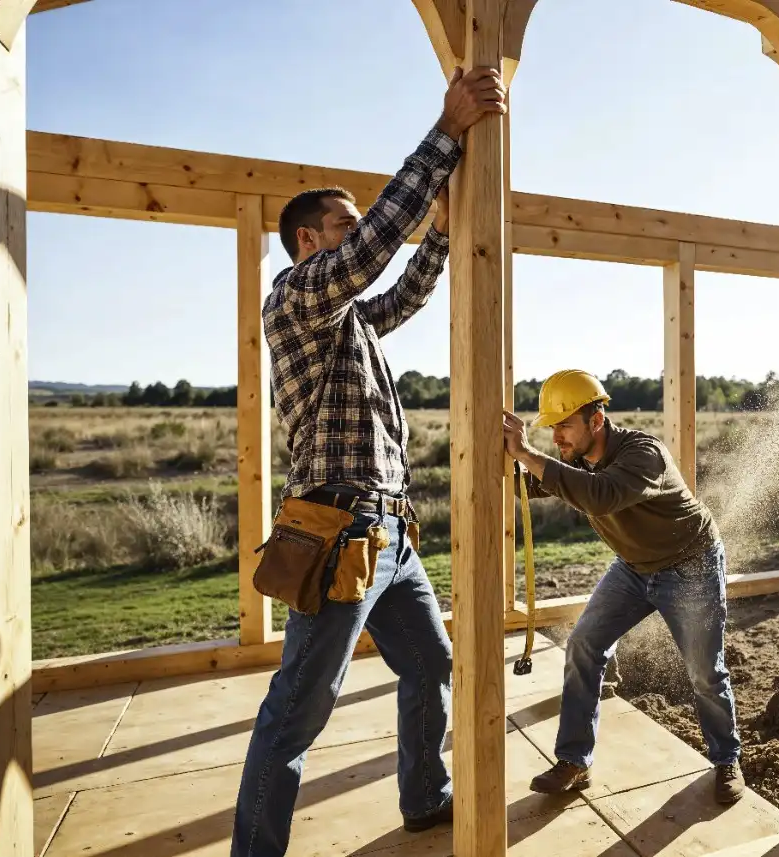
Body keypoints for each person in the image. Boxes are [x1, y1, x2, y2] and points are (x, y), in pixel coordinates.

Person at [230, 66, 507, 857]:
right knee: (298, 709)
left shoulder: (348, 321)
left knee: (431, 663)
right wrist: (447, 133)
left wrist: (445, 231)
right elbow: (376, 253)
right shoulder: (294, 297)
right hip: (336, 530)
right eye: (343, 225)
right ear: (309, 242)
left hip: (388, 536)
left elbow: (403, 291)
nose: (358, 234)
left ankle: (425, 799)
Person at [501, 370, 745, 805]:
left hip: (690, 565)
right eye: (552, 427)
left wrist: (525, 453)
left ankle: (727, 759)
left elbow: (599, 496)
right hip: (633, 568)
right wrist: (505, 458)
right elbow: (537, 482)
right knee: (584, 645)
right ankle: (574, 761)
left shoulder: (643, 454)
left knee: (704, 672)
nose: (557, 437)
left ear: (596, 421)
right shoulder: (577, 458)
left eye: (564, 425)